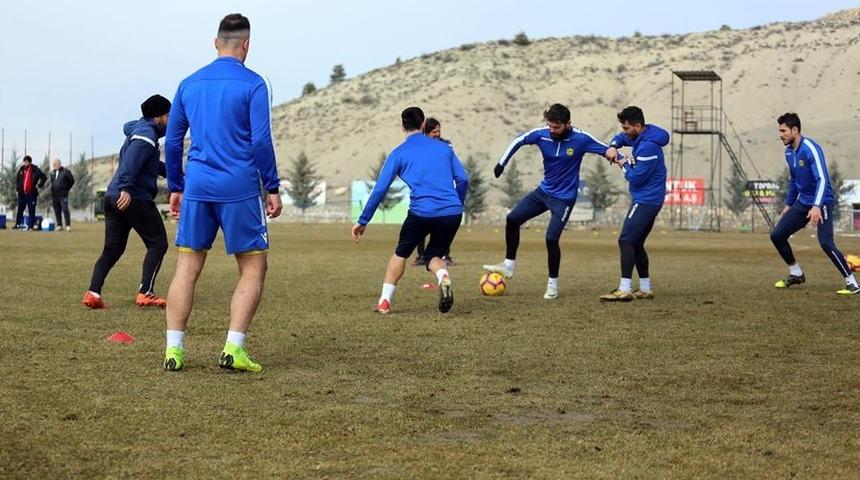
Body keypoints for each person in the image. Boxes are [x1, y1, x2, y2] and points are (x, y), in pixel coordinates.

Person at [162, 13, 283, 372]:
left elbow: (171, 140)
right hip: (239, 187)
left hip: (197, 185)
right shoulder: (254, 84)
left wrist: (176, 185)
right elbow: (260, 140)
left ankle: (174, 350)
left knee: (187, 267)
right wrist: (272, 186)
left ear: (216, 42)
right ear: (246, 44)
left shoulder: (188, 83)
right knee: (253, 266)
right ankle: (233, 348)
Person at [483, 103, 618, 299]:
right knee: (512, 219)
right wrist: (501, 163)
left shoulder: (581, 139)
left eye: (556, 127)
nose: (552, 130)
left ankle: (552, 285)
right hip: (543, 192)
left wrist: (619, 158)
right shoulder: (542, 134)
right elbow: (518, 140)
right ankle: (508, 266)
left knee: (551, 239)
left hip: (564, 199)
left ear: (568, 124)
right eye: (550, 126)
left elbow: (608, 150)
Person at [352, 106, 469, 314]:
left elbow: (380, 189)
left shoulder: (398, 154)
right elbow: (463, 178)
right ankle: (443, 277)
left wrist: (363, 220)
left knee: (401, 253)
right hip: (451, 212)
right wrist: (456, 204)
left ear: (402, 127)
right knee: (434, 255)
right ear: (423, 124)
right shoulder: (444, 148)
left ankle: (384, 302)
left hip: (421, 213)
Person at [82, 94, 172, 310]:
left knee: (112, 249)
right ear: (158, 117)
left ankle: (93, 293)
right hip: (133, 197)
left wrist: (174, 173)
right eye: (169, 115)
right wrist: (126, 188)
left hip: (112, 197)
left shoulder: (139, 129)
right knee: (158, 243)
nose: (171, 120)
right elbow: (132, 161)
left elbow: (148, 163)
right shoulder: (146, 135)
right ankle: (146, 293)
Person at [769, 113, 858, 295]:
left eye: (783, 130)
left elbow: (823, 179)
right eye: (780, 131)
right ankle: (796, 273)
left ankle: (852, 283)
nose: (781, 134)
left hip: (822, 201)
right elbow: (794, 181)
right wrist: (788, 204)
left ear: (795, 130)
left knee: (826, 243)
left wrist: (817, 205)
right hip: (803, 201)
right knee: (777, 235)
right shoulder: (788, 152)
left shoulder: (811, 149)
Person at [600, 106, 669, 302]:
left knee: (625, 240)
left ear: (638, 126)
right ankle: (646, 288)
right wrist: (614, 145)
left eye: (626, 128)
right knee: (636, 243)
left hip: (646, 200)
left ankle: (624, 288)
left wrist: (623, 163)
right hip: (648, 199)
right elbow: (622, 139)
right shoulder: (643, 135)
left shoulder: (648, 147)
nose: (624, 132)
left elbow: (636, 178)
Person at [413, 117, 455, 268]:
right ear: (426, 133)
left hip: (443, 191)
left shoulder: (446, 145)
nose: (437, 133)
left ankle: (446, 256)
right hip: (425, 191)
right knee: (421, 224)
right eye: (434, 131)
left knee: (444, 225)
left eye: (438, 130)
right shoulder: (420, 147)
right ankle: (421, 256)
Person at [15, 155, 47, 230]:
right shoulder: (21, 169)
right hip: (22, 194)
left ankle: (30, 226)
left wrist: (39, 185)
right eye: (24, 161)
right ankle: (17, 224)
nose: (25, 163)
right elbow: (17, 180)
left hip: (31, 194)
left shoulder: (34, 169)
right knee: (20, 209)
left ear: (30, 162)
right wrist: (18, 189)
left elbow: (44, 177)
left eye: (27, 161)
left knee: (31, 210)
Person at [49, 159, 75, 231]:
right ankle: (59, 225)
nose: (54, 165)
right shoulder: (52, 173)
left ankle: (68, 225)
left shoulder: (66, 172)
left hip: (63, 195)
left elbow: (72, 181)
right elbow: (52, 182)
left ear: (59, 164)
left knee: (65, 209)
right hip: (55, 195)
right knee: (57, 210)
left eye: (55, 164)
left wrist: (66, 188)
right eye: (53, 164)